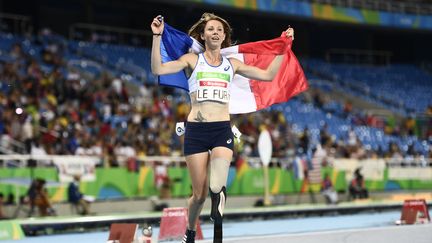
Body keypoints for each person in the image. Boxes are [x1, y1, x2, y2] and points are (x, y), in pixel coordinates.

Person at [151, 13, 294, 243]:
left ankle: (218, 222)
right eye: (210, 29)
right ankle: (190, 230)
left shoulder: (232, 64)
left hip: (221, 131)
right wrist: (157, 36)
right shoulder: (192, 60)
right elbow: (157, 69)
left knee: (216, 187)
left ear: (224, 36)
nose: (215, 32)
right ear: (203, 35)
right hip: (196, 132)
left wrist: (283, 47)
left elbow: (268, 75)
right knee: (198, 195)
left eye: (219, 29)